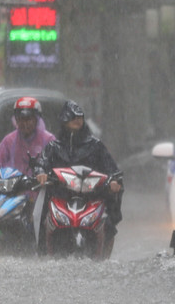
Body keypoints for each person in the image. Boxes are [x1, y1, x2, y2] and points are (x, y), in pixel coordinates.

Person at [35, 100, 123, 254]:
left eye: (79, 117)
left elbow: (112, 169)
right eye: (73, 117)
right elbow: (41, 162)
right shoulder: (53, 147)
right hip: (60, 197)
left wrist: (114, 181)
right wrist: (41, 173)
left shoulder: (96, 146)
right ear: (64, 120)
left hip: (92, 198)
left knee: (109, 222)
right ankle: (42, 252)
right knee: (40, 218)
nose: (77, 120)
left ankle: (103, 251)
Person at [0, 96, 55, 183]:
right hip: (13, 191)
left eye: (28, 119)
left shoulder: (48, 140)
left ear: (36, 119)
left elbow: (57, 167)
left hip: (40, 191)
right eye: (20, 119)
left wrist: (45, 175)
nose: (24, 124)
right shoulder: (10, 140)